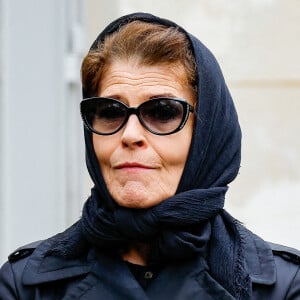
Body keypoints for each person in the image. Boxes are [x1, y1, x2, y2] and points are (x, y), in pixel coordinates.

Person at [0, 12, 299, 300]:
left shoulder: (281, 288)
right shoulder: (26, 285)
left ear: (208, 137)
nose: (130, 135)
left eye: (162, 112)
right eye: (109, 112)